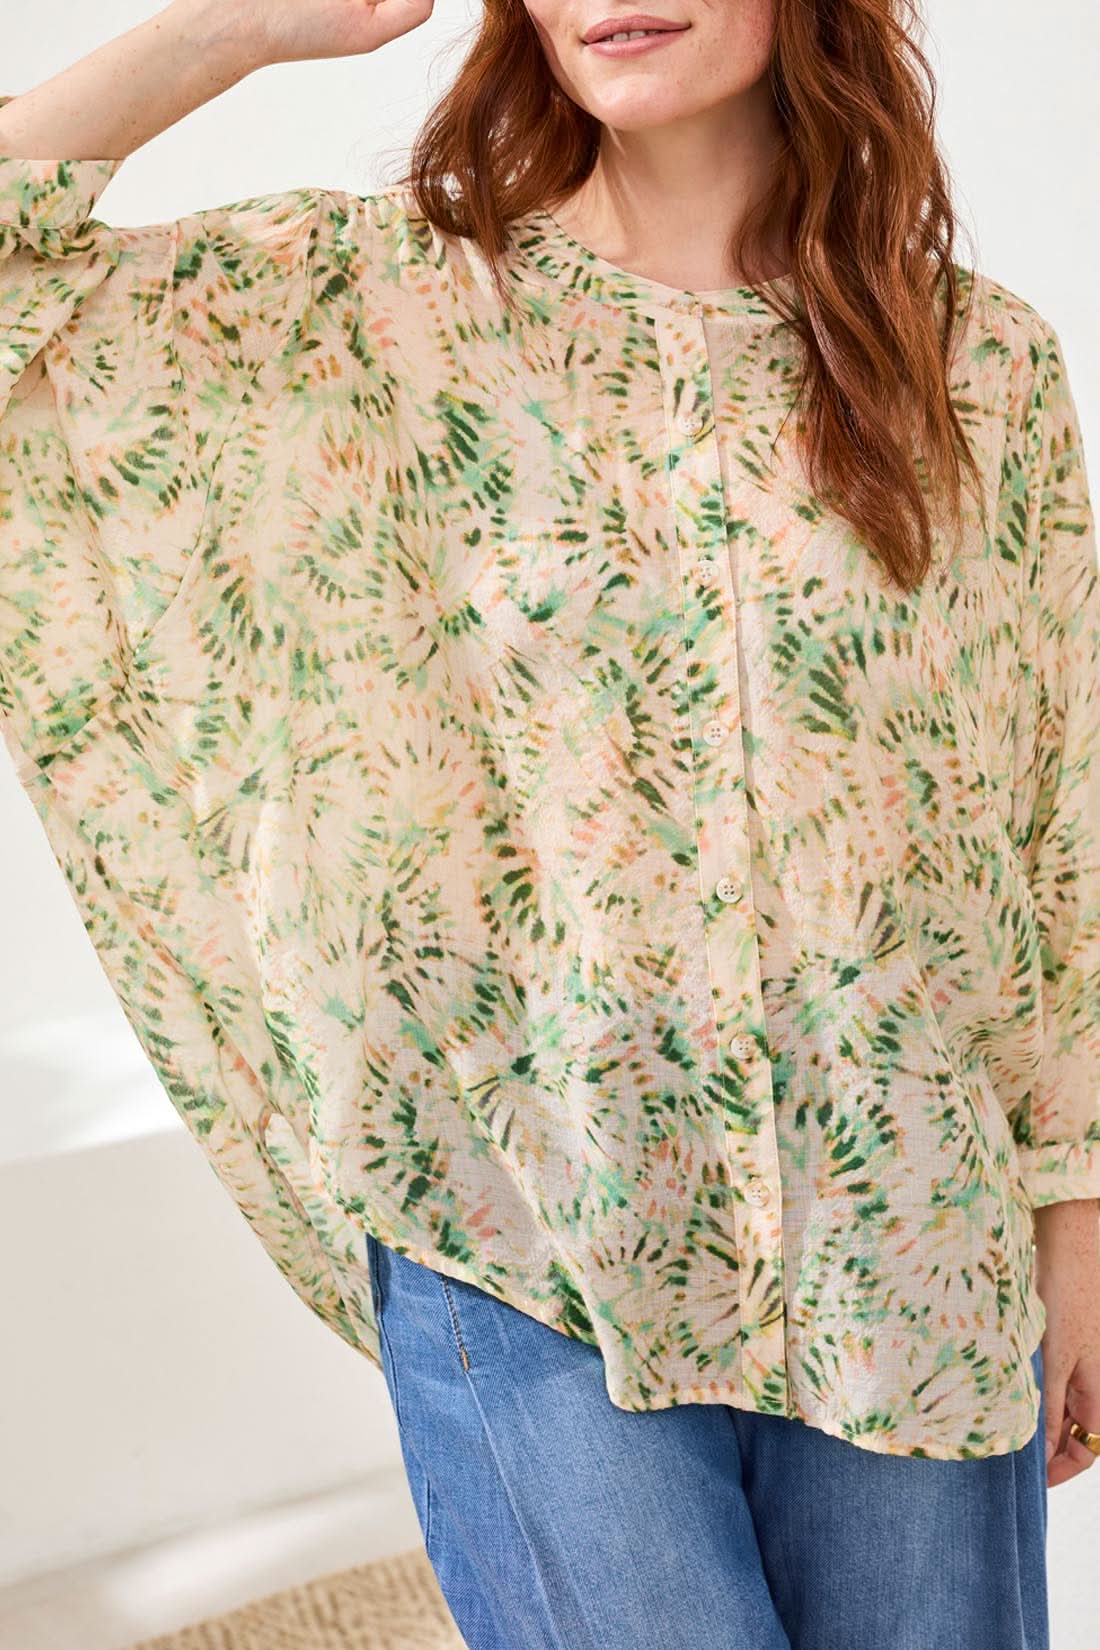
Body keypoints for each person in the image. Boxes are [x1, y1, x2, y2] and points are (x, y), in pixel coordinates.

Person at [1, 2, 1097, 1646]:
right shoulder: (367, 312)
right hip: (528, 1224)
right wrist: (245, 27)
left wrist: (1079, 1213)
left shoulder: (978, 365)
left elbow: (1059, 812)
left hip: (906, 1235)